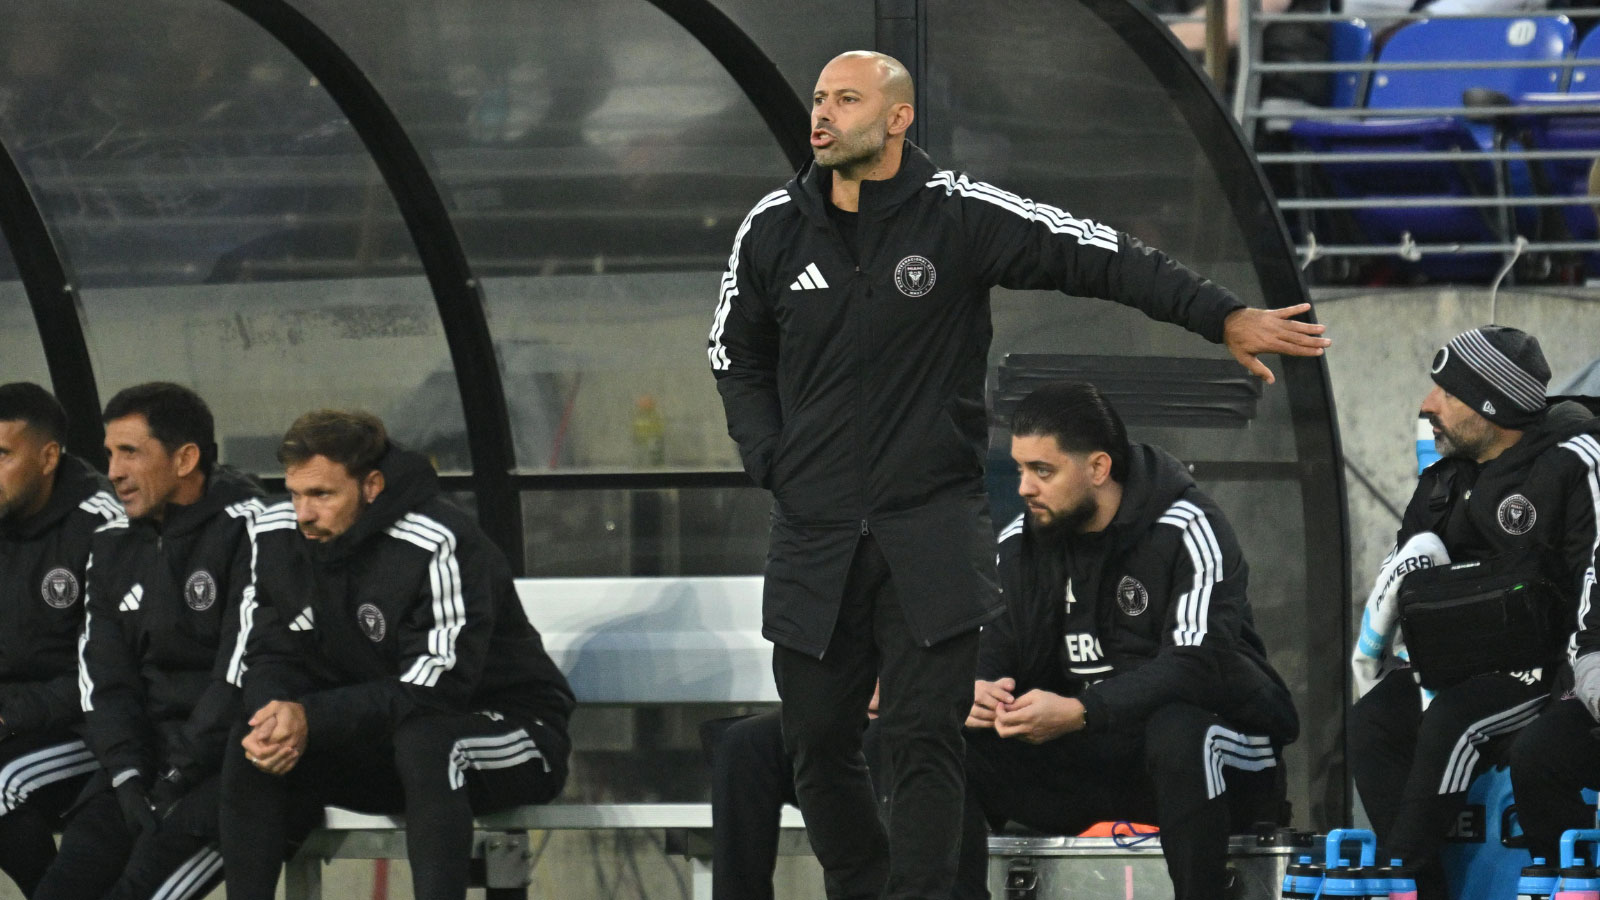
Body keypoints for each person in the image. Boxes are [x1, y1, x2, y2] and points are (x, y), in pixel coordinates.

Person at [705, 48, 1328, 899]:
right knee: (817, 739)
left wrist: (1217, 314)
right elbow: (733, 353)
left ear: (897, 117)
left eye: (845, 99)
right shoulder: (772, 225)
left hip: (930, 531)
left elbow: (1098, 254)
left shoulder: (958, 214)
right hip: (814, 534)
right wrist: (770, 455)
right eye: (818, 98)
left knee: (927, 736)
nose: (822, 113)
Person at [956, 381, 1297, 900]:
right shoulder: (1021, 544)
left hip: (1222, 754)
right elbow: (997, 651)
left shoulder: (1188, 527)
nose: (1023, 487)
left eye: (1042, 471)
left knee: (1177, 731)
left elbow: (1196, 664)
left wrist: (1080, 711)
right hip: (1090, 763)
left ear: (1097, 468)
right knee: (943, 740)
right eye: (1021, 469)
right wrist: (980, 691)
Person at [218, 410, 574, 900]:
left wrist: (313, 716)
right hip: (389, 742)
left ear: (372, 486)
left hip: (510, 734)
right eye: (296, 492)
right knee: (253, 739)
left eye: (322, 494)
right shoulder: (276, 535)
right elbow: (266, 652)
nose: (303, 512)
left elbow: (437, 689)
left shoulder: (437, 541)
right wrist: (277, 711)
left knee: (429, 742)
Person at [1348, 326, 1598, 898]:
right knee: (1373, 723)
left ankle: (1395, 878)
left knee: (1451, 723)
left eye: (1447, 394)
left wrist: (1579, 674)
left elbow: (1596, 576)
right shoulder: (1442, 481)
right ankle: (1422, 890)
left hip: (1547, 672)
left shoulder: (1573, 461)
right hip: (1454, 667)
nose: (1428, 405)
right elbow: (1404, 587)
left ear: (1493, 406)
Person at [34, 382, 264, 900]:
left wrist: (179, 774)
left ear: (185, 458)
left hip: (227, 767)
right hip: (145, 766)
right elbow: (105, 677)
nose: (113, 471)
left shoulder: (254, 531)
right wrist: (127, 772)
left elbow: (241, 672)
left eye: (130, 453)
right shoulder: (112, 542)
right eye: (110, 454)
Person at [0, 383, 119, 895]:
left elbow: (112, 670)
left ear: (48, 457)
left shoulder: (105, 527)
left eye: (1, 454)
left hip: (90, 730)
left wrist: (9, 715)